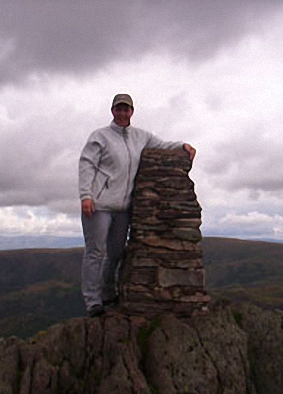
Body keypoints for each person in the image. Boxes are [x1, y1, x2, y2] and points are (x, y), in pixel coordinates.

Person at [78, 93, 196, 317]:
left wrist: (183, 145)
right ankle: (93, 301)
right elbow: (87, 164)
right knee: (95, 252)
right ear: (112, 111)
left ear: (132, 111)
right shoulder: (100, 136)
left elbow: (163, 145)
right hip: (99, 205)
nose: (122, 113)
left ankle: (107, 293)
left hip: (123, 209)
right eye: (118, 109)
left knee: (114, 253)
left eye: (126, 109)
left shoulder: (141, 136)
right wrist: (86, 195)